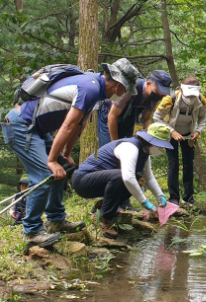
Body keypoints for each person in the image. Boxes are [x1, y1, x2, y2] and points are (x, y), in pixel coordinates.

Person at [1, 58, 140, 247]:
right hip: (20, 125)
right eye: (126, 90)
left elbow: (78, 126)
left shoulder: (95, 89)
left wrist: (65, 154)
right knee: (43, 174)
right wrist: (51, 161)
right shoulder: (90, 88)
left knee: (63, 167)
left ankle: (55, 221)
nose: (125, 96)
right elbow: (68, 125)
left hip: (35, 128)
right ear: (118, 85)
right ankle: (32, 232)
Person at [72, 123, 173, 239]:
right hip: (83, 181)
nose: (161, 149)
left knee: (137, 179)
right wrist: (144, 202)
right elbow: (127, 177)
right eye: (160, 145)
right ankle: (105, 220)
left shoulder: (144, 152)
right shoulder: (130, 147)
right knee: (123, 177)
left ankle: (103, 208)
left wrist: (160, 196)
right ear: (152, 142)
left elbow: (148, 177)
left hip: (99, 181)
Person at [97, 70, 172, 212]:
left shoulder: (155, 96)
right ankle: (111, 205)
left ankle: (125, 202)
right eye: (159, 90)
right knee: (115, 162)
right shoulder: (131, 89)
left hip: (129, 119)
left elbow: (146, 119)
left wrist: (148, 141)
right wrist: (116, 145)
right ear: (149, 83)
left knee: (130, 165)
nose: (161, 95)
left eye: (163, 92)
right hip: (109, 117)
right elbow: (112, 117)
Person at [153, 77, 206, 206]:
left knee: (189, 164)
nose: (190, 98)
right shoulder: (169, 99)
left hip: (189, 133)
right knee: (173, 164)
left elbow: (203, 117)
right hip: (170, 132)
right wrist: (172, 131)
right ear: (182, 91)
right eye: (188, 95)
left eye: (193, 96)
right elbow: (157, 117)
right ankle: (173, 198)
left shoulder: (202, 100)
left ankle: (188, 197)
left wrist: (198, 131)